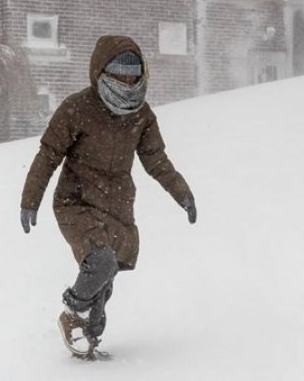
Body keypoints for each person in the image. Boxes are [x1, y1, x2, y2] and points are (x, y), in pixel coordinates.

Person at [20, 35, 196, 359]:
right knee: (100, 263)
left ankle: (87, 347)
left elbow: (156, 160)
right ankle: (71, 314)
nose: (127, 82)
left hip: (116, 207)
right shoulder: (77, 108)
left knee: (103, 289)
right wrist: (30, 200)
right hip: (77, 203)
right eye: (120, 75)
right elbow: (48, 155)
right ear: (101, 71)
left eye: (133, 75)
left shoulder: (141, 116)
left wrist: (182, 193)